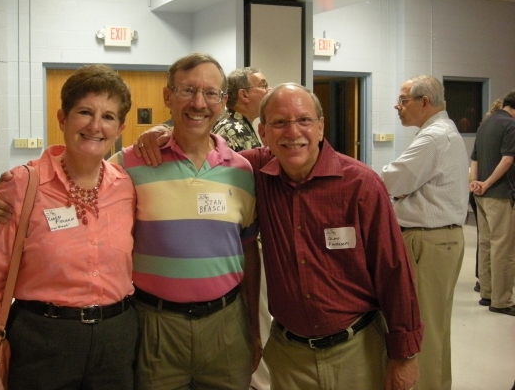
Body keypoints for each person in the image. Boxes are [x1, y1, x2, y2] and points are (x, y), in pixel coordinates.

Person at [0, 54, 261, 390]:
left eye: (211, 93)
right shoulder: (129, 164)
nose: (199, 102)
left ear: (223, 101)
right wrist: (6, 192)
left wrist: (254, 326)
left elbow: (248, 247)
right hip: (151, 323)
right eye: (187, 90)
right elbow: (83, 170)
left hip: (222, 324)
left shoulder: (242, 171)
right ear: (167, 96)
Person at [135, 83, 423, 390]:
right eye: (280, 123)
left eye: (304, 120)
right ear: (264, 132)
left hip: (357, 351)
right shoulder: (253, 172)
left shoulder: (361, 185)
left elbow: (395, 272)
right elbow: (206, 150)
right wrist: (159, 135)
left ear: (321, 126)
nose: (293, 132)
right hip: (289, 358)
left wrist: (404, 355)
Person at [0, 65, 138, 389]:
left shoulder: (128, 186)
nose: (95, 126)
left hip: (116, 340)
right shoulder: (23, 185)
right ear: (62, 118)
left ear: (120, 128)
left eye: (108, 117)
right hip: (42, 340)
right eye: (84, 112)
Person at [380, 75, 467, 390]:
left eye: (403, 100)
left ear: (424, 102)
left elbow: (393, 181)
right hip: (442, 240)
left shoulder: (433, 138)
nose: (397, 106)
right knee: (436, 325)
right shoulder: (442, 132)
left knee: (421, 327)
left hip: (429, 241)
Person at [213, 66, 271, 390]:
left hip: (247, 235)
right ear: (243, 95)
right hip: (242, 238)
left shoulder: (246, 127)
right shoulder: (232, 129)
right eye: (263, 84)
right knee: (256, 313)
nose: (269, 88)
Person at [469, 89, 515, 316]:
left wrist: (476, 183)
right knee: (503, 248)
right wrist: (487, 183)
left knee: (486, 244)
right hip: (500, 194)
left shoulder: (486, 123)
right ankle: (502, 301)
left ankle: (486, 293)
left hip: (481, 196)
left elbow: (474, 157)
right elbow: (508, 159)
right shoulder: (511, 125)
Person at [212, 67, 269, 152]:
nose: (269, 90)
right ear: (244, 95)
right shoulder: (232, 130)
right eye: (263, 86)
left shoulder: (235, 124)